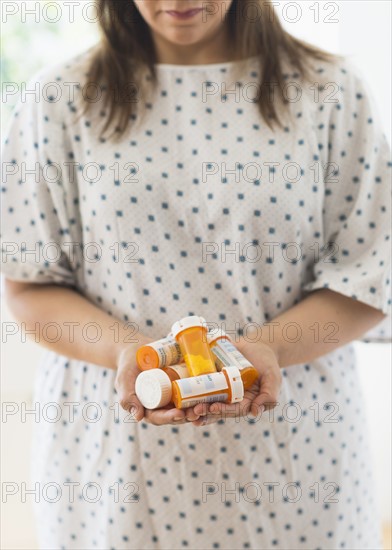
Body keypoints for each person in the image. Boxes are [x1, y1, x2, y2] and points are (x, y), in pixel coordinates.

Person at [2, 1, 391, 548]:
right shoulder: (60, 98)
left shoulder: (331, 91)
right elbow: (28, 283)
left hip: (297, 457)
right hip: (112, 460)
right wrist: (128, 353)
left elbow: (371, 273)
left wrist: (266, 351)